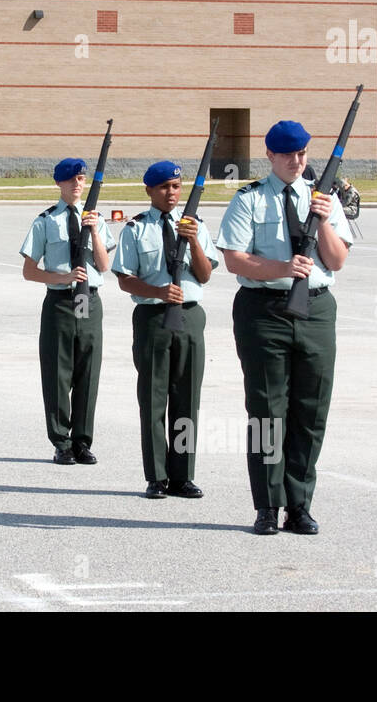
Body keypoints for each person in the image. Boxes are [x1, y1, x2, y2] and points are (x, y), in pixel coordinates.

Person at [215, 121, 354, 536]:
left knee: (310, 411)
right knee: (266, 410)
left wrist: (324, 219)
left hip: (315, 310)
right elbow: (235, 259)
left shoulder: (323, 199)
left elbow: (337, 260)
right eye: (287, 154)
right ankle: (267, 507)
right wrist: (282, 267)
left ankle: (299, 506)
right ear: (270, 156)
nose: (296, 161)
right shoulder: (250, 199)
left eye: (303, 154)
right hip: (264, 311)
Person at [111, 160, 218, 500]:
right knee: (155, 400)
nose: (171, 194)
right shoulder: (136, 228)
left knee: (187, 400)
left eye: (175, 187)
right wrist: (157, 291)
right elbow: (124, 278)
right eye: (163, 188)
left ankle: (182, 475)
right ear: (149, 191)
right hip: (154, 318)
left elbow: (204, 274)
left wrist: (194, 242)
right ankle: (156, 476)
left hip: (189, 317)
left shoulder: (195, 225)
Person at [19, 158, 114, 465]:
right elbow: (29, 271)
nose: (77, 185)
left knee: (88, 371)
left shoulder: (95, 219)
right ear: (59, 183)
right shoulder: (46, 221)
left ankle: (83, 441)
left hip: (90, 300)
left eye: (82, 179)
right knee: (58, 373)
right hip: (60, 301)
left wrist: (95, 232)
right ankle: (61, 441)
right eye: (71, 180)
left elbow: (104, 265)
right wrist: (62, 277)